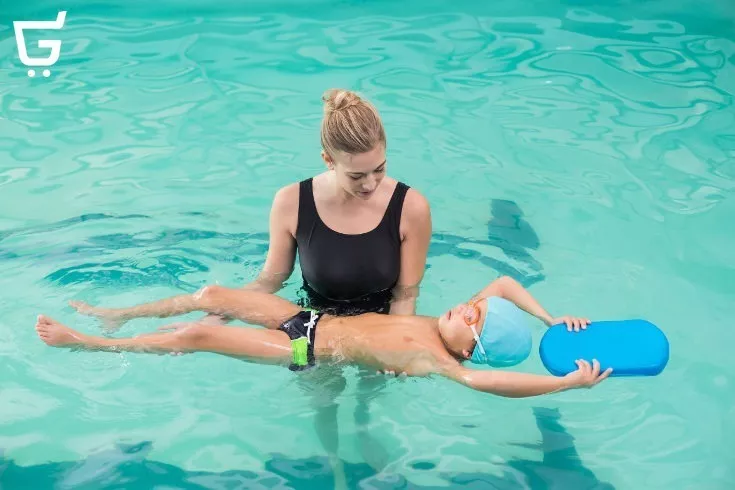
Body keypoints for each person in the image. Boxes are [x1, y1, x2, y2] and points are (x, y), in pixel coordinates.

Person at [40, 276, 612, 398]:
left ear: (471, 344)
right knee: (213, 296)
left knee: (195, 335)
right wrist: (551, 319)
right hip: (307, 318)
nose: (471, 306)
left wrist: (562, 384)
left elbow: (487, 381)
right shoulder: (450, 321)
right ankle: (118, 314)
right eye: (476, 305)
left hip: (304, 349)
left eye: (477, 319)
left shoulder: (434, 356)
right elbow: (506, 284)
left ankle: (85, 343)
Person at [217, 88, 431, 318]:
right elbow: (269, 281)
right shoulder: (291, 203)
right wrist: (217, 317)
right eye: (356, 176)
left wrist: (392, 348)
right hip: (315, 327)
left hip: (378, 330)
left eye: (379, 169)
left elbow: (405, 297)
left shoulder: (411, 208)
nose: (370, 184)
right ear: (328, 160)